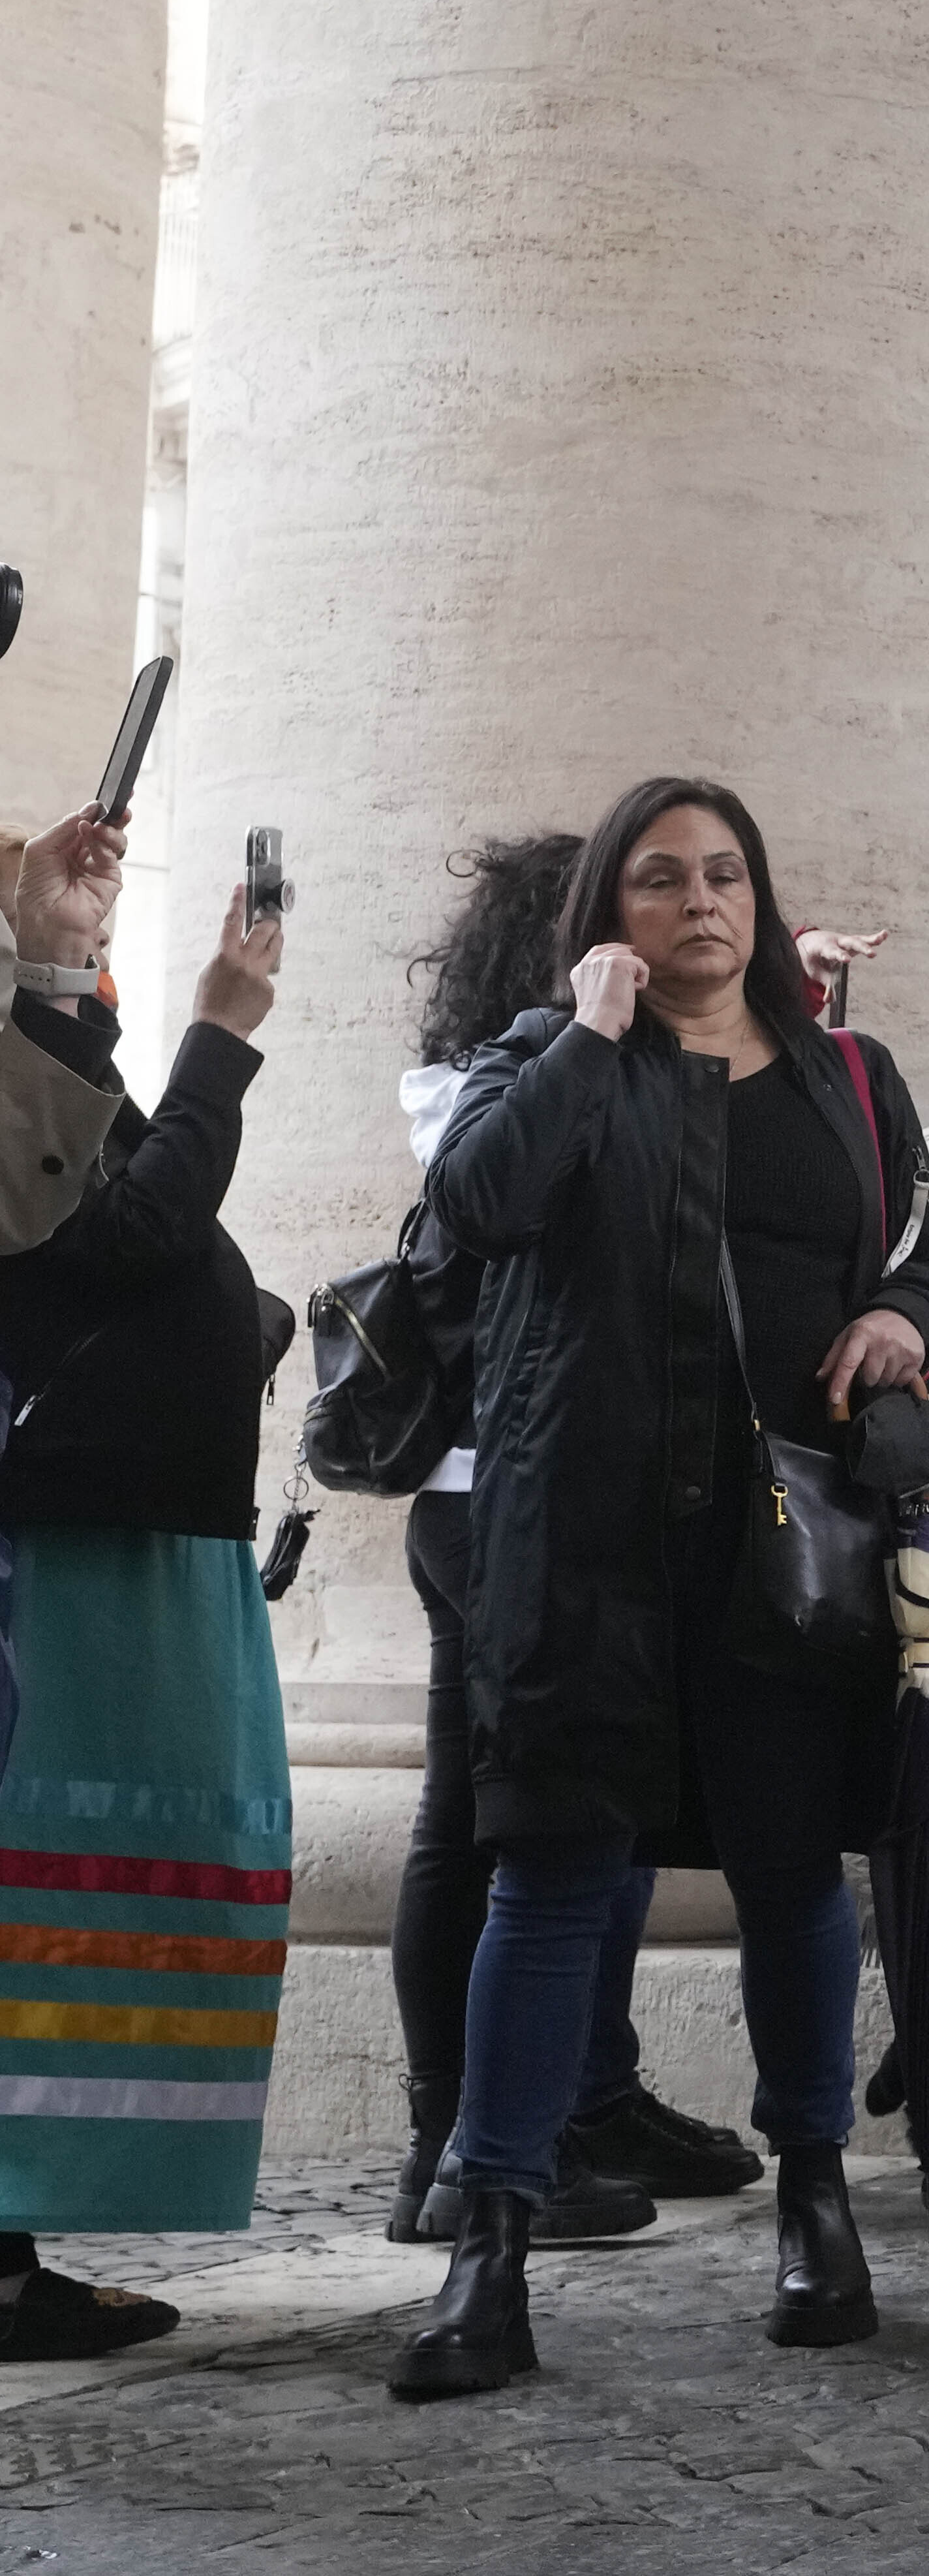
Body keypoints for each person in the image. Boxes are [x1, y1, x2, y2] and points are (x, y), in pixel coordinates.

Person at [395, 777, 929, 2396]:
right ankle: (489, 2243)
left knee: (791, 1875)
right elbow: (466, 1213)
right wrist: (584, 1041)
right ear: (608, 913)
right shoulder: (545, 1062)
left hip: (788, 1544)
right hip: (581, 1544)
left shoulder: (848, 1075)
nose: (700, 902)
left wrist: (908, 1320)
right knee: (552, 1875)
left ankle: (812, 2200)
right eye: (659, 880)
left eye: (725, 875)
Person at [388, 838, 740, 2247]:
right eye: (645, 900)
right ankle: (447, 2137)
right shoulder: (493, 1075)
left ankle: (591, 2087)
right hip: (491, 1498)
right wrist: (599, 1031)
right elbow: (497, 1197)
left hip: (571, 1491)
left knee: (590, 1802)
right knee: (476, 1820)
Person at [0, 880, 294, 2356]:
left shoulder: (35, 1073)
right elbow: (124, 1232)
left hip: (123, 1533)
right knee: (33, 1898)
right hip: (70, 1542)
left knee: (64, 1896)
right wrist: (222, 1038)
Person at [0, 814, 131, 1258]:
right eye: (23, 912)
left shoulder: (82, 1056)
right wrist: (218, 1034)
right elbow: (137, 1228)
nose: (102, 932)